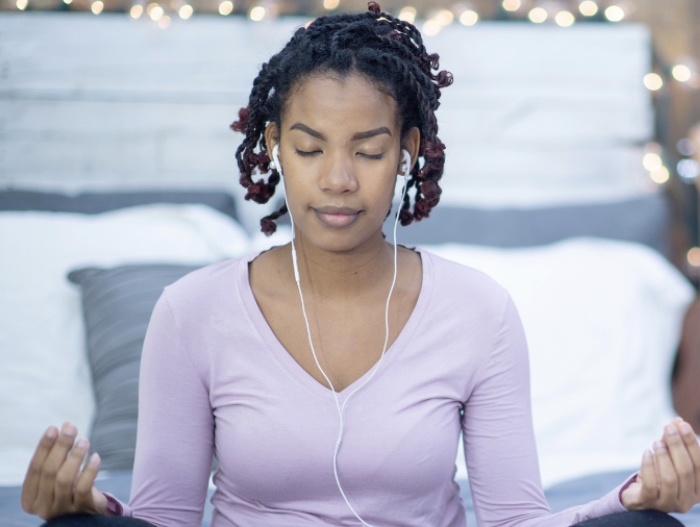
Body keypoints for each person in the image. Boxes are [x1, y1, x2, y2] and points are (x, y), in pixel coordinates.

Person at [21, 3, 700, 526]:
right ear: (274, 145)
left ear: (406, 150)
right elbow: (163, 518)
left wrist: (625, 500)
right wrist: (87, 509)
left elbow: (514, 519)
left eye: (368, 151)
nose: (339, 179)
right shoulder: (191, 311)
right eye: (310, 148)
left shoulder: (477, 310)